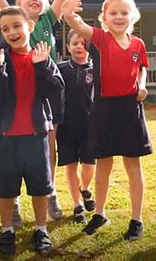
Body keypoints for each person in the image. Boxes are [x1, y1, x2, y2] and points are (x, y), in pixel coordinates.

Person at [0, 0, 83, 221]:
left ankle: (48, 192)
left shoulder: (48, 21)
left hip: (45, 88)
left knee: (48, 143)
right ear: (17, 3)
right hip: (15, 89)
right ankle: (12, 202)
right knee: (11, 150)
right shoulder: (12, 18)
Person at [61, 0, 153, 241]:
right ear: (104, 18)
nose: (119, 17)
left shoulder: (138, 44)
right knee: (104, 165)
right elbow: (78, 26)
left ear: (132, 16)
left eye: (124, 12)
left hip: (130, 109)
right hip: (103, 111)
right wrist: (68, 13)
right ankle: (99, 213)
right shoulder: (100, 38)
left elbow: (141, 69)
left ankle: (136, 220)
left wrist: (142, 85)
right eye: (113, 13)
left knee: (133, 165)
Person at [0, 6, 64, 257]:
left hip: (36, 136)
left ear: (29, 27)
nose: (12, 32)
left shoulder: (41, 56)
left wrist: (42, 66)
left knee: (41, 188)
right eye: (5, 29)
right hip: (7, 137)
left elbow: (56, 89)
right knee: (6, 189)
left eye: (17, 26)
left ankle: (41, 230)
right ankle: (7, 231)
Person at [56, 29, 95, 223]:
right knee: (71, 166)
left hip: (90, 126)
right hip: (66, 127)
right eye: (75, 43)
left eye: (83, 43)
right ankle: (77, 204)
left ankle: (85, 188)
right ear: (68, 46)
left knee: (89, 165)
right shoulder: (60, 68)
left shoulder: (96, 69)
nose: (79, 46)